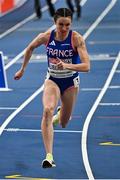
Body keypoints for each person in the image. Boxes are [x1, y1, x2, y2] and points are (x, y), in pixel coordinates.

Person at [14, 8, 90, 168]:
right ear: (54, 23)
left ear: (71, 24)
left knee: (63, 123)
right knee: (47, 110)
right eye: (61, 24)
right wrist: (22, 69)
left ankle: (61, 114)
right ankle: (49, 156)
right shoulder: (46, 37)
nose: (64, 28)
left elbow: (87, 66)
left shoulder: (76, 39)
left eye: (67, 25)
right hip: (52, 80)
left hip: (70, 82)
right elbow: (29, 48)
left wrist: (66, 65)